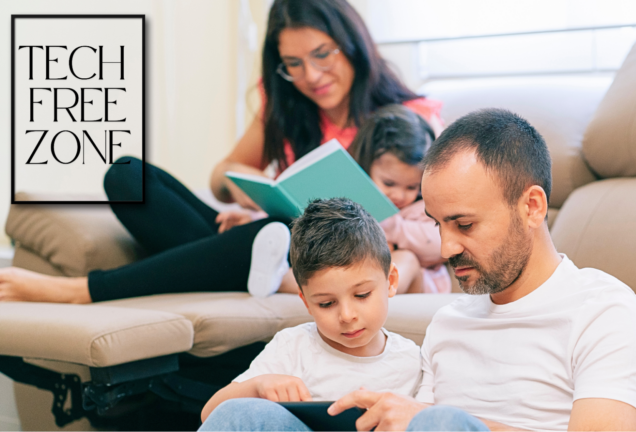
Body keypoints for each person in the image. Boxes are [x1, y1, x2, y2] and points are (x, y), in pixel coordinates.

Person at [0, 0, 442, 304]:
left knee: (271, 232)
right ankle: (229, 261)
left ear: (353, 45)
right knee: (127, 175)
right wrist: (251, 189)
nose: (311, 75)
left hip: (315, 251)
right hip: (263, 233)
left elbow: (443, 219)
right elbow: (219, 178)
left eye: (322, 54)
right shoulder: (285, 107)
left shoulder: (413, 121)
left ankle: (83, 290)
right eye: (293, 64)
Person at [326, 109, 636, 432]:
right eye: (438, 225)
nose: (446, 249)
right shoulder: (448, 322)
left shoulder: (603, 311)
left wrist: (446, 423)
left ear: (532, 207)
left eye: (465, 224)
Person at [199, 198, 421, 430]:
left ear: (391, 281)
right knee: (241, 411)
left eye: (362, 295)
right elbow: (211, 414)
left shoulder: (412, 360)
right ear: (306, 302)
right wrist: (258, 386)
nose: (346, 315)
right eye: (326, 303)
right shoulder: (293, 346)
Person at [267, 104, 450, 295]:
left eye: (412, 187)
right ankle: (279, 279)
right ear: (366, 168)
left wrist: (392, 226)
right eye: (389, 183)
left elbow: (439, 245)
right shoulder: (354, 204)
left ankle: (368, 293)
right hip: (354, 276)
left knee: (407, 259)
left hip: (412, 283)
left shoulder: (423, 208)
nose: (399, 195)